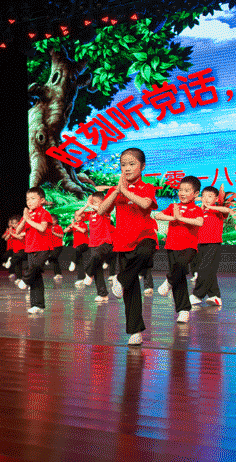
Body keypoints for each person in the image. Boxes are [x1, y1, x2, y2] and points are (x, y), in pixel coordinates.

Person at [97, 148, 158, 346]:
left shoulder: (147, 187)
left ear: (142, 166)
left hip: (145, 236)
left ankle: (120, 279)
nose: (127, 168)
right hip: (123, 242)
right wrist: (116, 191)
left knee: (145, 254)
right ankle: (135, 331)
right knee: (131, 291)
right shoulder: (115, 190)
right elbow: (101, 210)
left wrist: (125, 191)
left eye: (132, 164)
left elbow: (146, 204)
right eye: (123, 164)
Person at [155, 176, 204, 323]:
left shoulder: (196, 209)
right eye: (181, 190)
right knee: (180, 278)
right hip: (171, 245)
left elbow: (199, 222)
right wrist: (174, 218)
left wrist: (181, 218)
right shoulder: (173, 206)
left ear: (196, 194)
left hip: (189, 246)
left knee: (181, 266)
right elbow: (158, 215)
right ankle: (183, 310)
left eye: (187, 190)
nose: (182, 193)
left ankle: (168, 281)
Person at [190, 186, 232, 306]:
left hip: (213, 243)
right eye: (204, 196)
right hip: (199, 243)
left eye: (210, 196)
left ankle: (197, 295)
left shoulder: (218, 211)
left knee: (205, 269)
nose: (206, 199)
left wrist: (210, 207)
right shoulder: (199, 211)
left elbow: (227, 210)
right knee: (208, 270)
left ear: (216, 198)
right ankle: (215, 296)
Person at [15, 187, 52, 314]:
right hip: (30, 248)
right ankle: (38, 305)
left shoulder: (44, 213)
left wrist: (29, 220)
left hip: (43, 247)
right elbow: (18, 231)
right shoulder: (28, 215)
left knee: (34, 267)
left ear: (42, 200)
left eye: (33, 198)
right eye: (27, 199)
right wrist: (25, 218)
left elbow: (42, 228)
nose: (29, 201)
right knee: (36, 277)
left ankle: (25, 280)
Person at [80, 193, 113, 301]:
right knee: (98, 269)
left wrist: (91, 205)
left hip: (104, 242)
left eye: (95, 202)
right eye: (92, 201)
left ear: (102, 202)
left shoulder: (105, 211)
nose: (93, 204)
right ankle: (103, 294)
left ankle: (88, 273)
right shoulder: (91, 213)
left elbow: (100, 210)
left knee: (95, 258)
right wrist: (87, 205)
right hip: (93, 243)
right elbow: (78, 214)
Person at [65, 210, 89, 284]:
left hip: (85, 244)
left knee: (77, 251)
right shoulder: (73, 224)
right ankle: (81, 278)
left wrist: (74, 226)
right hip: (76, 245)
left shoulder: (84, 224)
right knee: (79, 262)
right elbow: (65, 230)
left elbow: (83, 231)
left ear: (82, 217)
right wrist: (71, 226)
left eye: (79, 216)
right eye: (76, 216)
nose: (77, 217)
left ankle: (73, 261)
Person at [45, 214, 64, 281]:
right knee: (55, 260)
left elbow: (61, 236)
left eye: (53, 220)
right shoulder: (48, 227)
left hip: (58, 245)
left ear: (56, 221)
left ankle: (49, 260)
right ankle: (58, 274)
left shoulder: (58, 227)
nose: (51, 221)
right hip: (50, 246)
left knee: (54, 256)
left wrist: (54, 233)